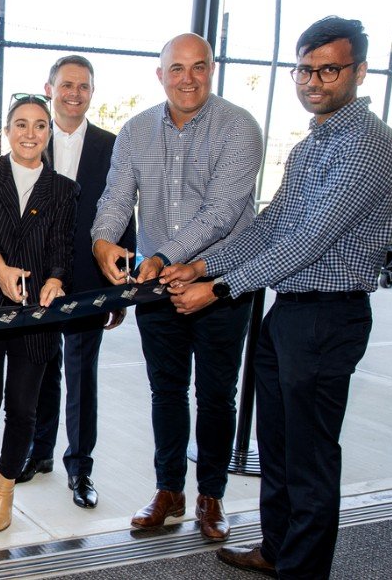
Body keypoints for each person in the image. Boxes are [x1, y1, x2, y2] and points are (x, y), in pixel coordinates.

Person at [161, 17, 392, 578]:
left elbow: (310, 238)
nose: (313, 80)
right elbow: (271, 227)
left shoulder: (371, 146)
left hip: (329, 316)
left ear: (358, 72)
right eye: (304, 68)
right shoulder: (313, 144)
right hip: (289, 313)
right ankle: (277, 550)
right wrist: (198, 262)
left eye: (329, 68)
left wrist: (218, 288)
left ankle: (302, 570)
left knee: (310, 460)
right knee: (276, 447)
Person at [90, 33, 262, 542]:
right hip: (156, 288)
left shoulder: (240, 128)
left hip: (221, 281)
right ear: (160, 74)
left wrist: (165, 255)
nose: (188, 78)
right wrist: (102, 239)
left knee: (215, 395)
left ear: (212, 70)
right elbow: (117, 197)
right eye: (177, 69)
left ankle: (211, 496)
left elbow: (222, 214)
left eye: (199, 67)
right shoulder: (137, 130)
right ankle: (169, 491)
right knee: (166, 391)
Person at [18, 56, 135, 511]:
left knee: (82, 373)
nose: (74, 93)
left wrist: (120, 287)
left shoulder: (113, 146)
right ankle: (40, 452)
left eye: (83, 86)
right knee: (42, 367)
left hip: (90, 278)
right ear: (49, 87)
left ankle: (80, 465)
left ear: (91, 93)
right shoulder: (30, 139)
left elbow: (124, 209)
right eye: (66, 84)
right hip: (38, 277)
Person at [0, 94, 77, 532]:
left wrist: (56, 279)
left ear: (49, 133)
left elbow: (63, 246)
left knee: (23, 409)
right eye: (21, 124)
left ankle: (4, 488)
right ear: (6, 131)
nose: (31, 133)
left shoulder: (64, 189)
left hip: (37, 316)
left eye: (40, 125)